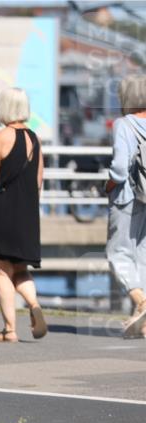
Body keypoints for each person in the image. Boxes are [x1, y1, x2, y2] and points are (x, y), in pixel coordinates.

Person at [0, 87, 47, 343]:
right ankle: (33, 303)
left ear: (5, 108)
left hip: (2, 209)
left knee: (3, 271)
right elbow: (38, 180)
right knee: (21, 268)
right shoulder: (34, 138)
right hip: (27, 211)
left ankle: (10, 330)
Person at [105, 75, 146, 339]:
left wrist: (109, 184)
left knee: (117, 254)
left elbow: (120, 168)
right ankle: (142, 323)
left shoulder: (124, 124)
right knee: (142, 256)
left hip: (127, 196)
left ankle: (141, 301)